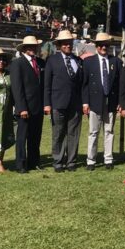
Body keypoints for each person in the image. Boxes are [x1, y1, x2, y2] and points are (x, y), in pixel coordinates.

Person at [43, 29, 83, 173]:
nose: (68, 45)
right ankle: (58, 161)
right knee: (58, 133)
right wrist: (47, 104)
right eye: (64, 43)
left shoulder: (78, 60)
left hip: (75, 104)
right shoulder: (52, 60)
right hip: (57, 103)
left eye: (69, 43)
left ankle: (71, 161)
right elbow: (47, 84)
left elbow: (81, 84)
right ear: (59, 45)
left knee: (74, 134)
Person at [83, 32, 122, 169]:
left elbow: (120, 84)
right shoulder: (88, 62)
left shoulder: (116, 62)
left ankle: (108, 159)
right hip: (94, 103)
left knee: (109, 131)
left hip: (111, 102)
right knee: (93, 132)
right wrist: (85, 102)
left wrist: (120, 102)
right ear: (96, 46)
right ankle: (91, 160)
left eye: (106, 45)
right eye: (101, 45)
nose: (103, 47)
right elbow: (85, 84)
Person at [9, 35, 45, 173]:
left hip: (38, 106)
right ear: (24, 48)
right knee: (22, 137)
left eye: (34, 46)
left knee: (35, 136)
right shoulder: (17, 63)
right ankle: (21, 164)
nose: (32, 49)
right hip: (24, 107)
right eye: (29, 47)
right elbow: (17, 88)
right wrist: (21, 108)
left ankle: (34, 162)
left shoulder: (40, 62)